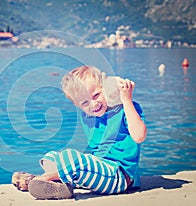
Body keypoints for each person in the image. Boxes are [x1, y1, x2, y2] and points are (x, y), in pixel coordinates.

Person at [12, 65, 147, 199]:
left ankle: (41, 179)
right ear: (77, 105)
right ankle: (61, 186)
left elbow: (139, 136)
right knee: (51, 157)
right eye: (84, 103)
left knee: (72, 157)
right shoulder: (88, 117)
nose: (93, 104)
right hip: (100, 173)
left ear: (104, 88)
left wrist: (126, 99)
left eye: (96, 95)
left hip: (120, 176)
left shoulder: (126, 109)